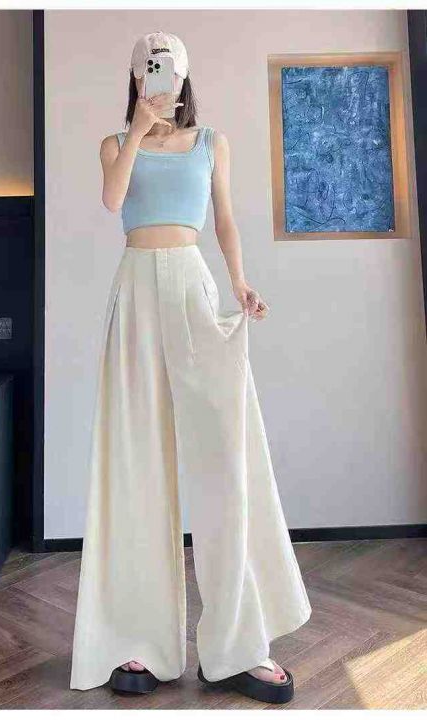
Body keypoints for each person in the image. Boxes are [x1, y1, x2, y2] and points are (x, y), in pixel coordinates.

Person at [70, 31, 312, 705]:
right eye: (148, 68)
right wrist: (136, 130)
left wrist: (240, 282)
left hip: (193, 289)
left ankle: (237, 647)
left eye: (169, 68)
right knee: (136, 463)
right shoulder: (113, 145)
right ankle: (137, 640)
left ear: (183, 76)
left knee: (225, 463)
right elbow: (113, 201)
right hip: (134, 293)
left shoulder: (211, 142)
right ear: (135, 76)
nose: (160, 78)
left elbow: (225, 220)